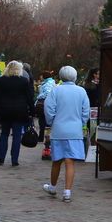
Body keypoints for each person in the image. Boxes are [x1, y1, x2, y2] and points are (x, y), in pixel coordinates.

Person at [43, 66, 91, 203]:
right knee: (70, 162)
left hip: (58, 130)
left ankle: (52, 187)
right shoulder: (81, 91)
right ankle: (67, 192)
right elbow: (85, 111)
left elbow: (49, 109)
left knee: (56, 161)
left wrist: (51, 121)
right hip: (74, 130)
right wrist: (81, 122)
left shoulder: (55, 90)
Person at [0, 61, 34, 166]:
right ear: (19, 70)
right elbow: (29, 98)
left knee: (4, 134)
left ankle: (1, 158)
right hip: (20, 111)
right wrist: (32, 111)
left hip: (4, 111)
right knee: (17, 136)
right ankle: (14, 160)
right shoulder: (24, 81)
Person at [35, 70, 56, 159]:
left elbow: (47, 93)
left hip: (44, 104)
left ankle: (42, 138)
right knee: (44, 121)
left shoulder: (48, 83)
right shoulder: (50, 82)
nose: (40, 77)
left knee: (43, 121)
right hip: (47, 104)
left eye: (41, 76)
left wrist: (39, 97)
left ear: (44, 76)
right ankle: (44, 137)